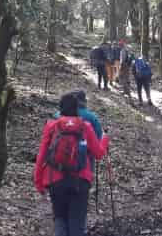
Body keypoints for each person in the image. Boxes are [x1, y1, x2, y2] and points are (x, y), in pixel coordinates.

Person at [35, 92, 110, 236]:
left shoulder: (52, 126)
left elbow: (42, 156)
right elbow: (99, 154)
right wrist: (105, 139)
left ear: (60, 108)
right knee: (77, 221)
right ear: (77, 108)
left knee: (60, 218)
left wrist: (39, 182)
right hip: (80, 181)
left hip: (55, 179)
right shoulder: (85, 126)